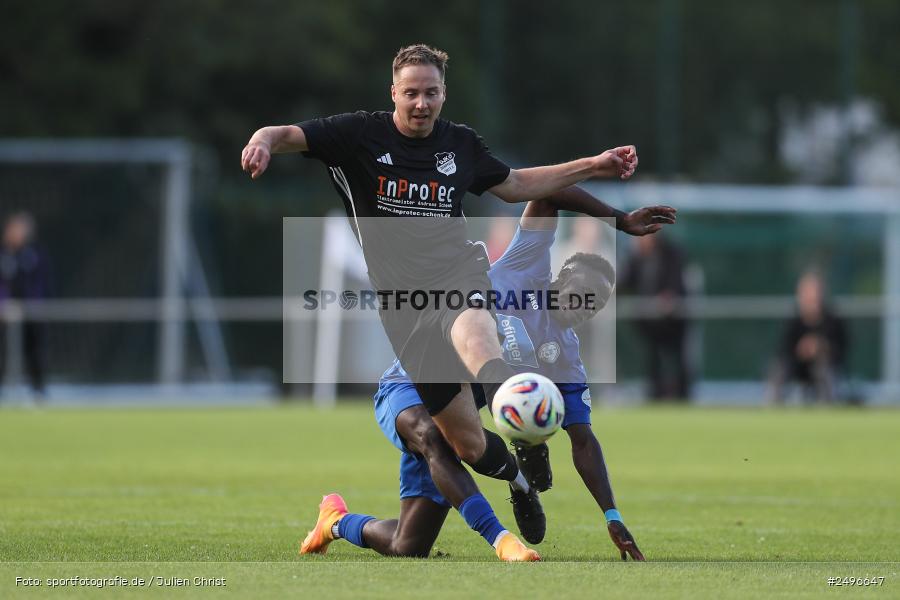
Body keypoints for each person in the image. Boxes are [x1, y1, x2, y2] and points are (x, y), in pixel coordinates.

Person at [242, 44, 638, 536]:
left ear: (444, 94)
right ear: (393, 92)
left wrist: (595, 164)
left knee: (472, 324)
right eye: (411, 93)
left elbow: (517, 185)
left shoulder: (460, 145)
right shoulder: (357, 134)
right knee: (455, 469)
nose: (421, 103)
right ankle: (508, 479)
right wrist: (262, 141)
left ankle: (513, 410)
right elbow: (286, 134)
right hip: (407, 314)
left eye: (431, 93)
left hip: (457, 277)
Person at [298, 186, 675, 560]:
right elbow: (548, 193)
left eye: (597, 302)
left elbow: (583, 441)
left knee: (407, 545)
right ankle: (505, 530)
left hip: (458, 415)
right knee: (433, 435)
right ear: (562, 278)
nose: (587, 304)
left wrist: (612, 515)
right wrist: (618, 219)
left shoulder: (565, 358)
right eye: (585, 290)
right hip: (407, 383)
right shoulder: (526, 266)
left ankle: (334, 522)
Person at [620, 233, 691, 400]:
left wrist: (669, 297)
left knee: (678, 358)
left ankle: (683, 396)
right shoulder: (636, 257)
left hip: (674, 320)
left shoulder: (672, 253)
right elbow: (626, 282)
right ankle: (655, 395)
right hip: (649, 322)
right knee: (653, 358)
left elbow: (677, 283)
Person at [768, 270, 848, 404]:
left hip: (823, 368)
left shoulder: (833, 320)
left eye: (815, 293)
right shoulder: (792, 321)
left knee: (824, 369)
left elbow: (842, 349)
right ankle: (774, 404)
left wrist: (821, 348)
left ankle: (827, 405)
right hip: (797, 367)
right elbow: (782, 350)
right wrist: (800, 350)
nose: (812, 298)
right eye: (808, 293)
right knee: (779, 369)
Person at [0, 212, 52, 397]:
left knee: (35, 352)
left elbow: (41, 283)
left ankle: (38, 392)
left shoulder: (35, 254)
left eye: (18, 230)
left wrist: (34, 307)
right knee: (4, 352)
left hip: (31, 314)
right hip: (5, 315)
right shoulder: (4, 254)